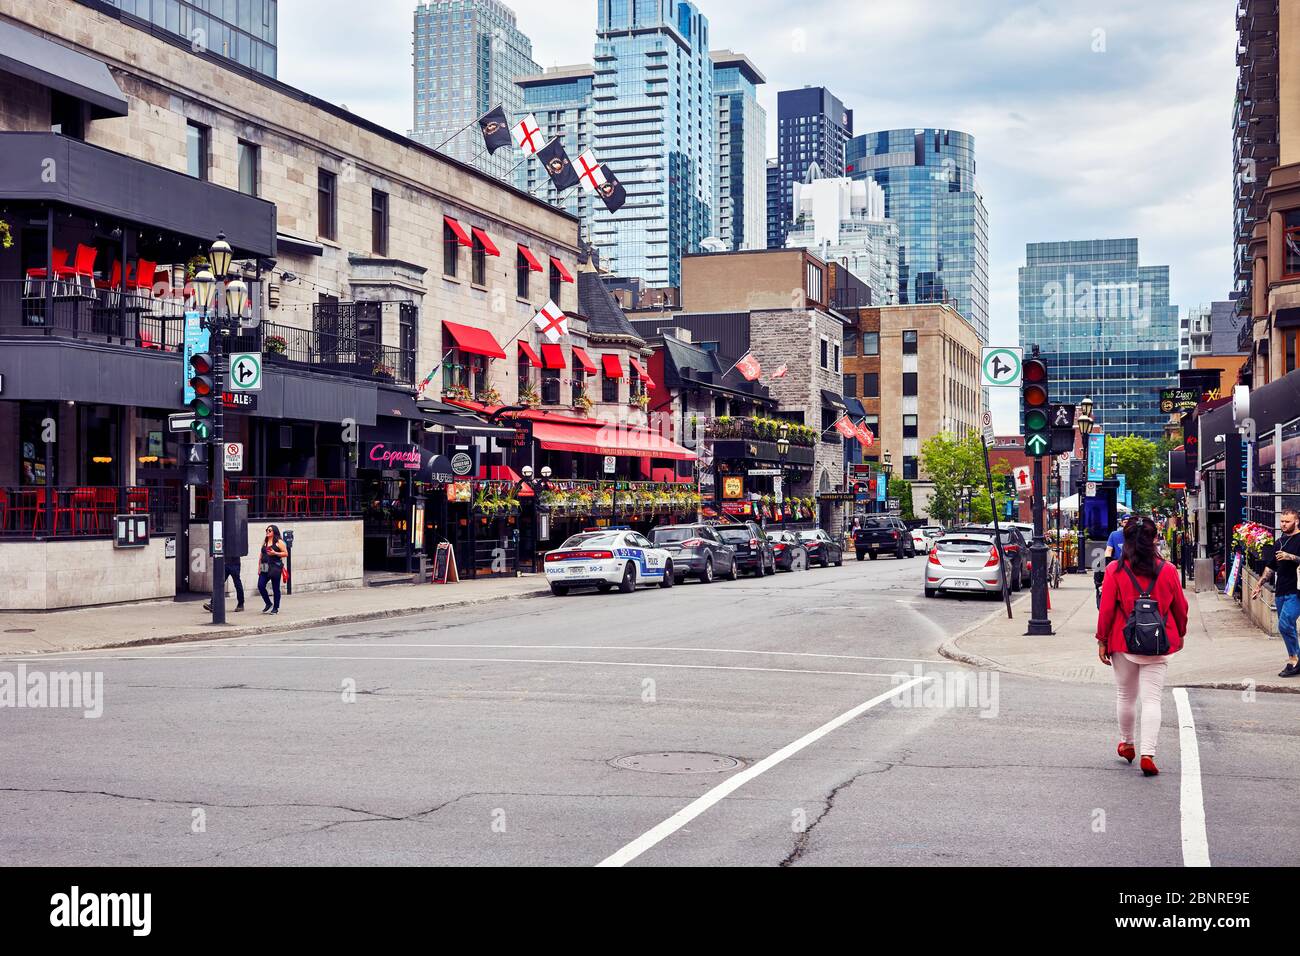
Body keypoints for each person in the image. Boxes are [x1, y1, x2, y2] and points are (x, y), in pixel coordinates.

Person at [1095, 516, 1189, 777]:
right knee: (1152, 699)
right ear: (1154, 539)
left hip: (1123, 640)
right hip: (1158, 641)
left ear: (1125, 540)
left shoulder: (1115, 569)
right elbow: (1180, 607)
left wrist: (1102, 639)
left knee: (1125, 695)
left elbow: (1106, 610)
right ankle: (1148, 753)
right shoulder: (1168, 570)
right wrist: (1179, 633)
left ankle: (1127, 743)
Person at [1251, 507, 1300, 678]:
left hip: (1297, 591)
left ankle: (1293, 659)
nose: (1284, 524)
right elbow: (1271, 566)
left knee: (1285, 624)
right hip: (1281, 591)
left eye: (1287, 521)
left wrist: (1291, 557)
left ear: (1297, 521)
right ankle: (1296, 659)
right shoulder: (1279, 542)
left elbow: (1294, 559)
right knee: (1289, 627)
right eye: (1282, 521)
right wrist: (1259, 584)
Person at [257, 524, 289, 615]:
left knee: (276, 588)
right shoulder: (265, 541)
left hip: (274, 566)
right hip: (264, 566)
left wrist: (275, 553)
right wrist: (259, 566)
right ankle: (268, 603)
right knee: (260, 585)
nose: (267, 531)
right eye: (266, 530)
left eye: (269, 530)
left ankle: (275, 607)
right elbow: (261, 554)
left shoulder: (279, 542)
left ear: (274, 531)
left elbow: (285, 553)